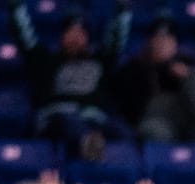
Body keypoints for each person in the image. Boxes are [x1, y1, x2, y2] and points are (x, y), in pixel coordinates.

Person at [11, 0, 128, 158]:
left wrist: (123, 10)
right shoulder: (46, 61)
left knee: (122, 131)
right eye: (70, 32)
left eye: (80, 33)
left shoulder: (100, 61)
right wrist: (15, 6)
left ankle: (134, 174)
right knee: (69, 120)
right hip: (57, 118)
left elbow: (116, 39)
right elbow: (24, 36)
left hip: (94, 119)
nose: (75, 37)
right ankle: (89, 144)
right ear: (62, 36)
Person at [107, 18, 195, 143]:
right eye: (158, 39)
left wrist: (185, 75)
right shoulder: (134, 68)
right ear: (148, 43)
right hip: (157, 120)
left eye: (167, 40)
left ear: (175, 44)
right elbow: (123, 105)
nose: (162, 44)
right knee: (153, 131)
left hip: (189, 116)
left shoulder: (189, 61)